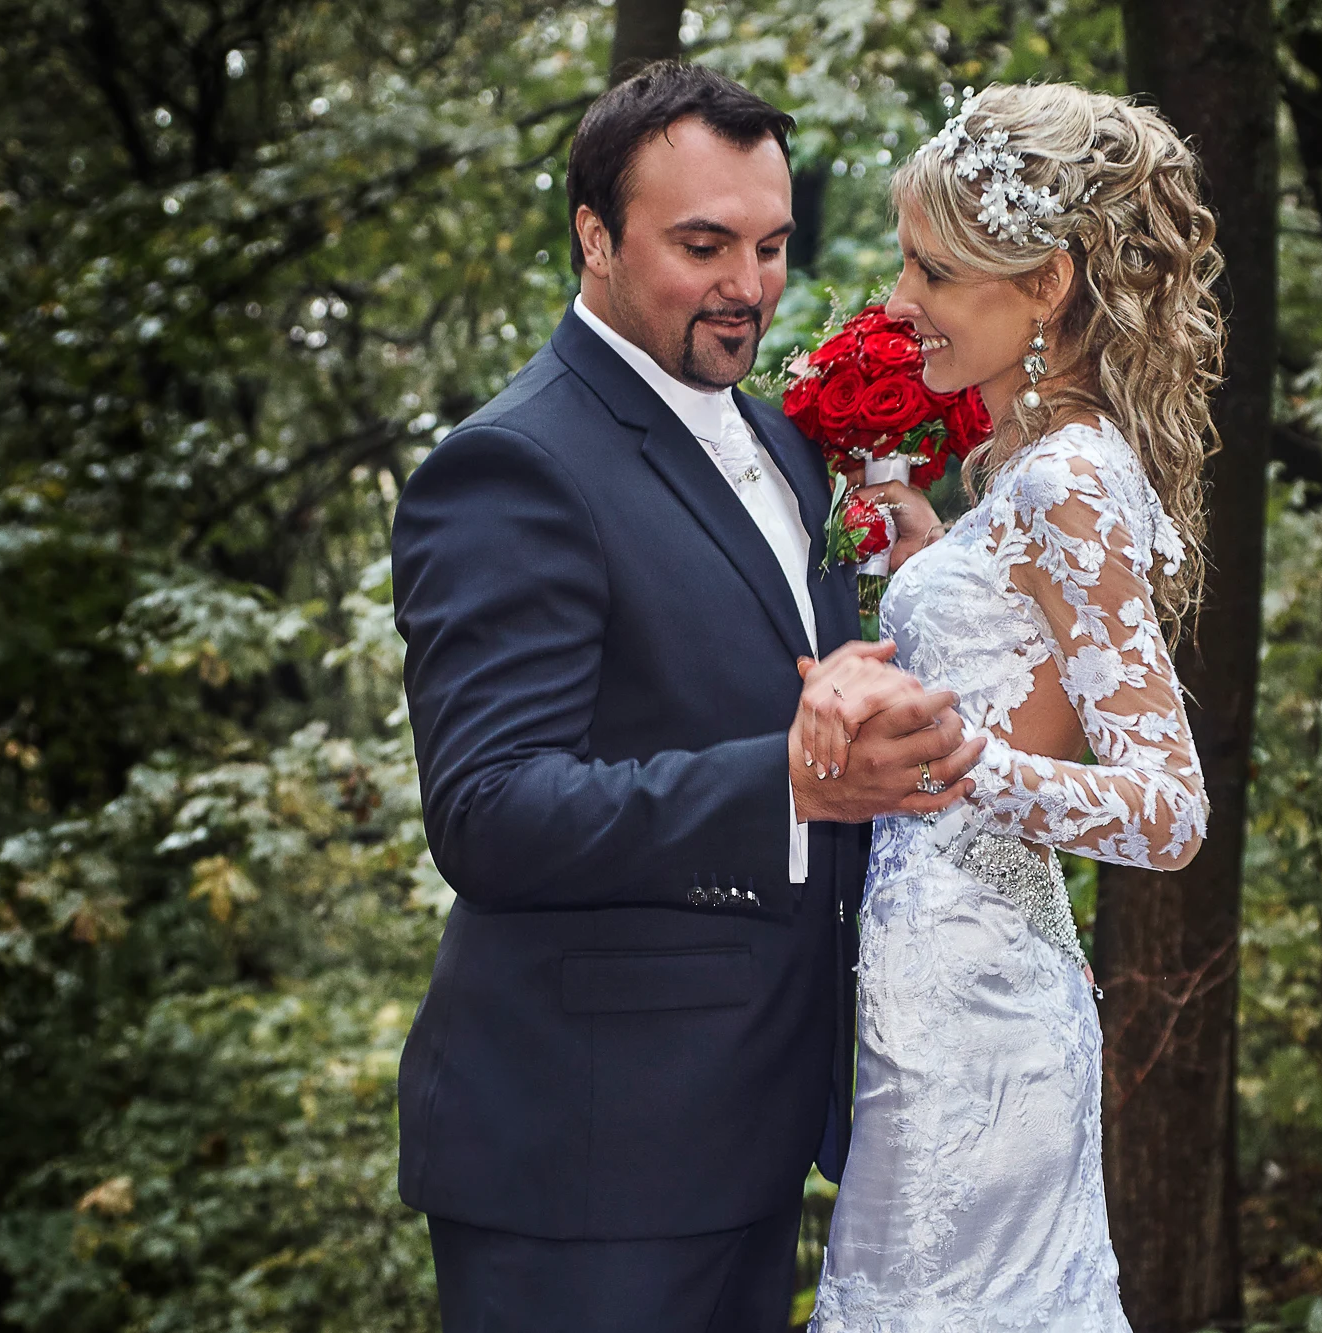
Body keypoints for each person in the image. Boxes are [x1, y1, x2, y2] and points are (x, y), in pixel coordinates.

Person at [388, 62, 980, 1333]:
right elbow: (489, 812)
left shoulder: (777, 444)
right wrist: (787, 777)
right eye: (702, 244)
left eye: (770, 245)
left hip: (757, 1126)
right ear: (593, 237)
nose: (749, 286)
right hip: (583, 1151)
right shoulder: (508, 466)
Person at [807, 83, 1222, 1330]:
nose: (897, 303)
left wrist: (942, 755)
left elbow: (1168, 811)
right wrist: (927, 544)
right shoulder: (1035, 472)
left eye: (933, 272)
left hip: (976, 1010)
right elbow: (1026, 664)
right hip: (946, 982)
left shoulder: (1069, 479)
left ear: (1045, 283)